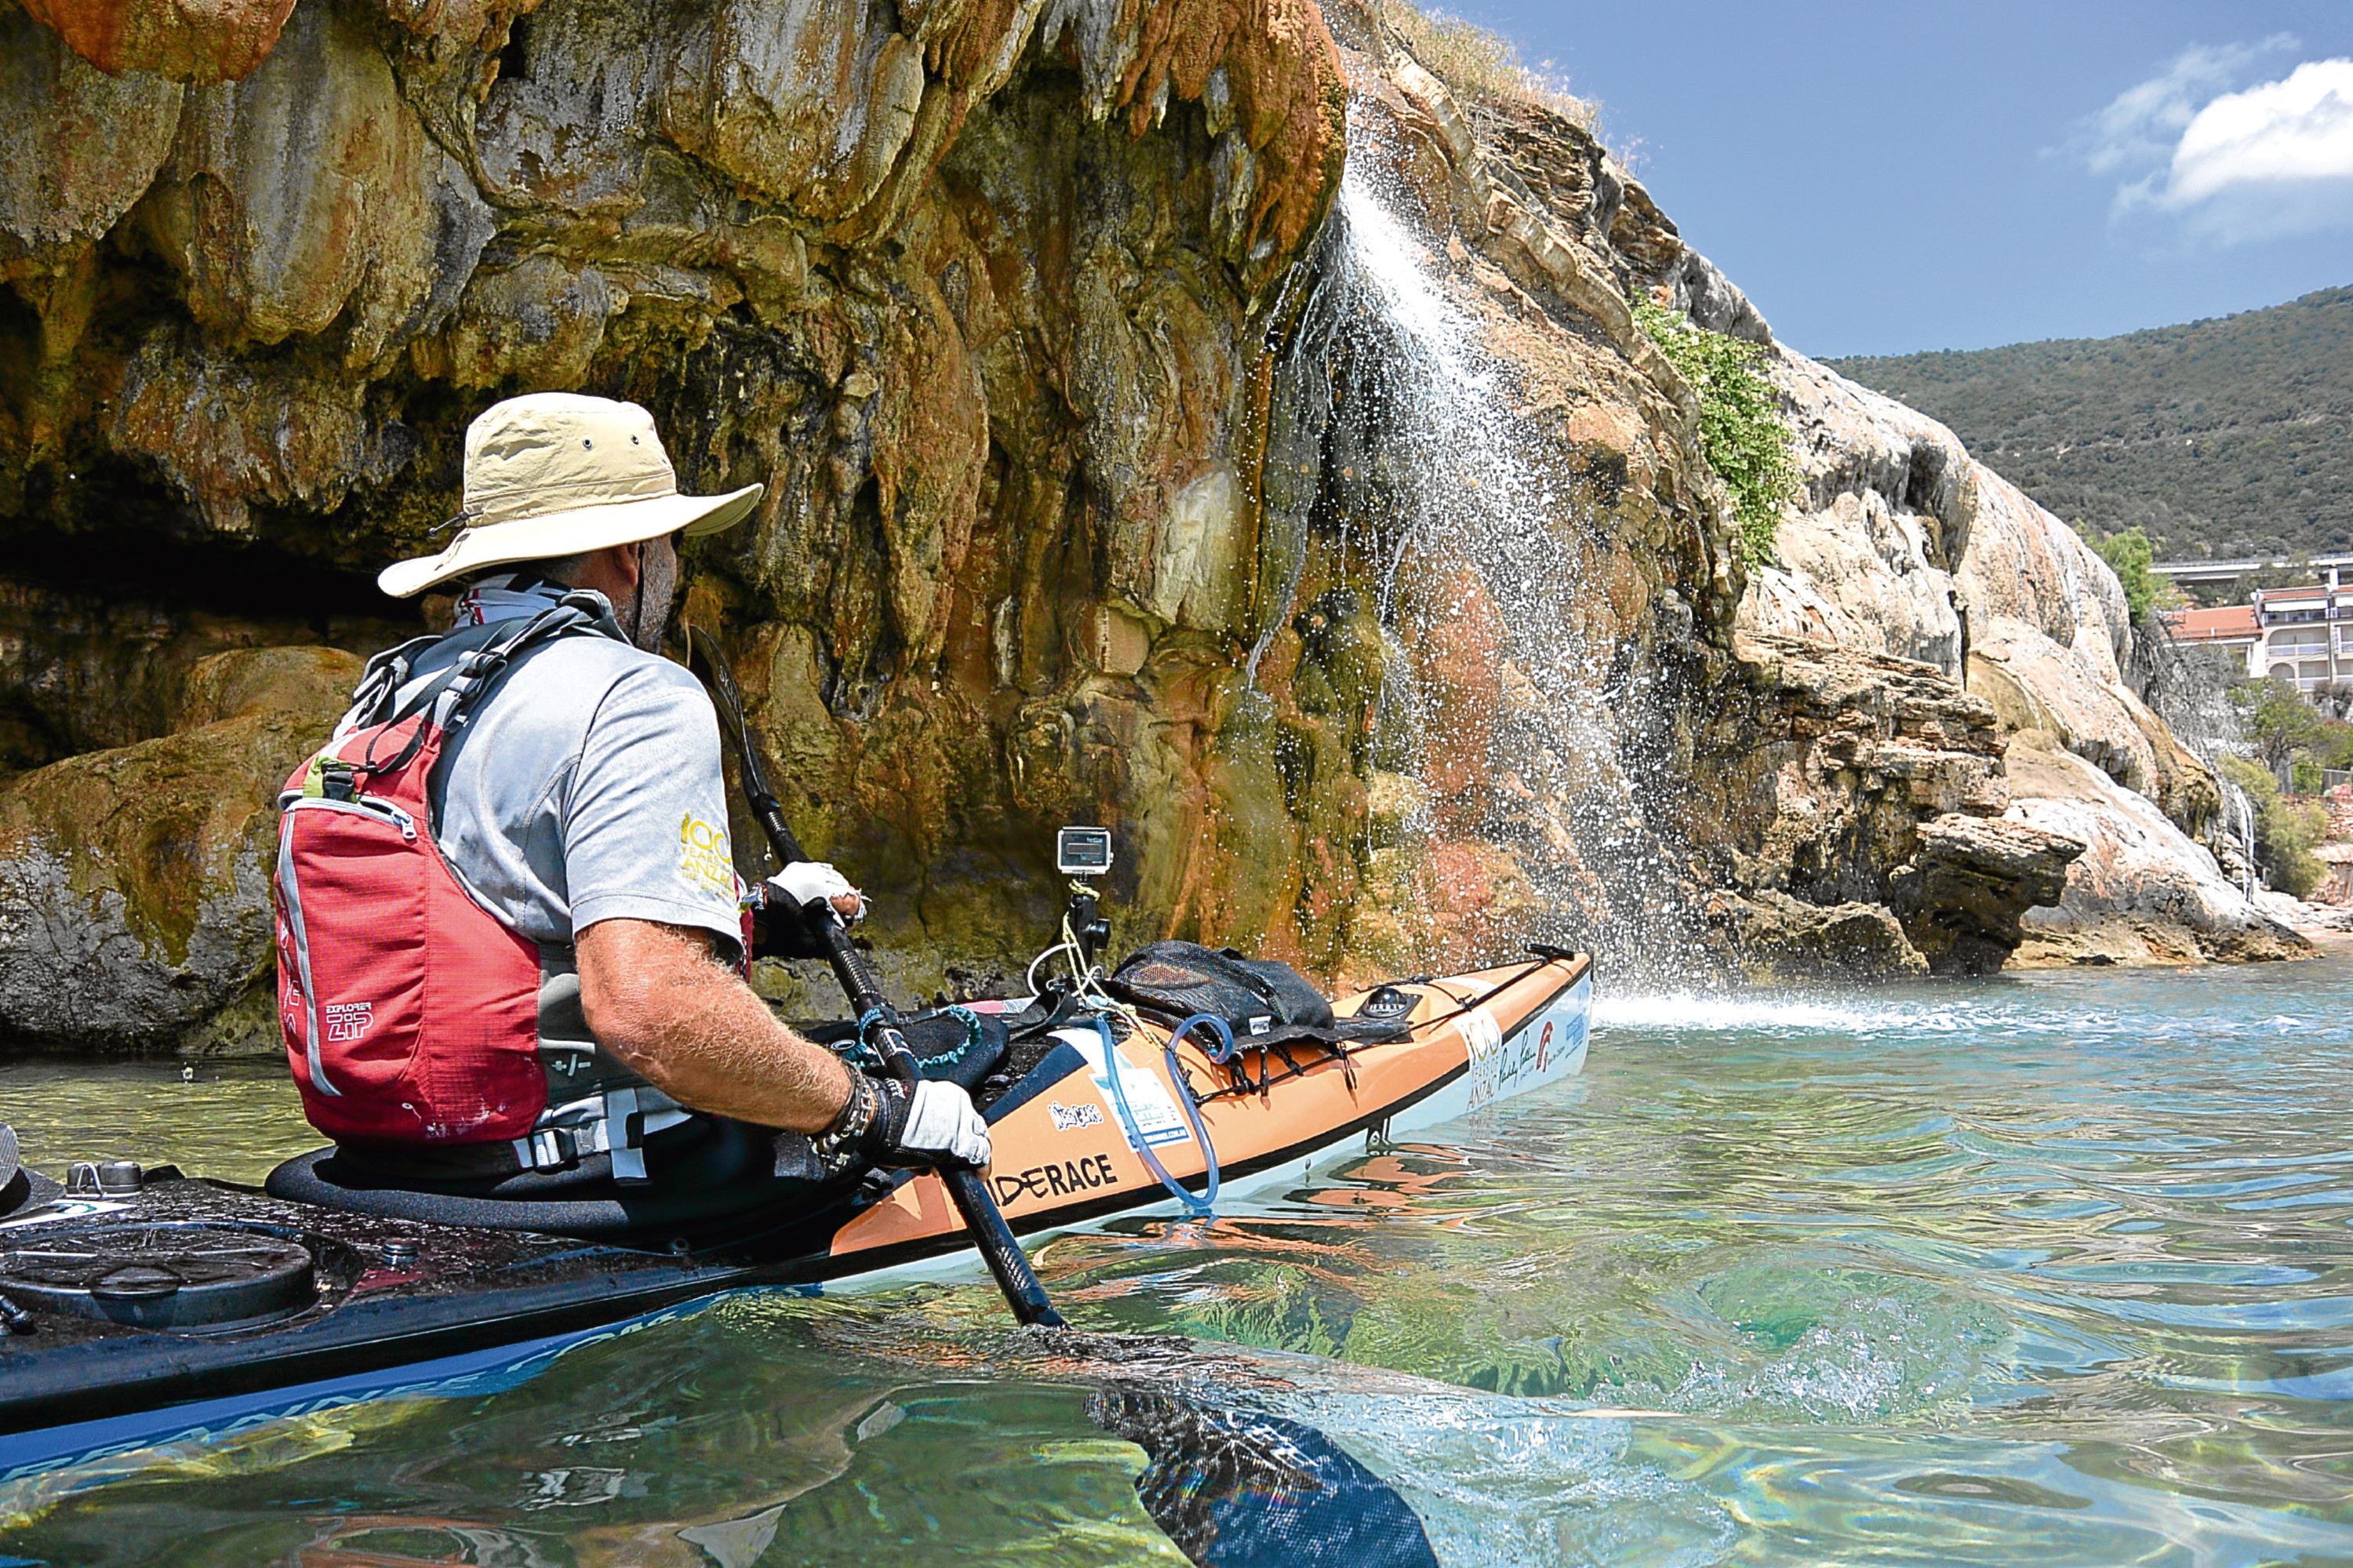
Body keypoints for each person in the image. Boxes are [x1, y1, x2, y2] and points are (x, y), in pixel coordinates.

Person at [270, 392, 987, 1198]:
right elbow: (653, 1013)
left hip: (385, 1167)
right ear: (631, 552)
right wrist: (868, 1110)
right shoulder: (638, 695)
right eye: (674, 543)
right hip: (577, 1182)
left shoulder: (396, 692)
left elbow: (494, 897)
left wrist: (750, 913)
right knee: (833, 1072)